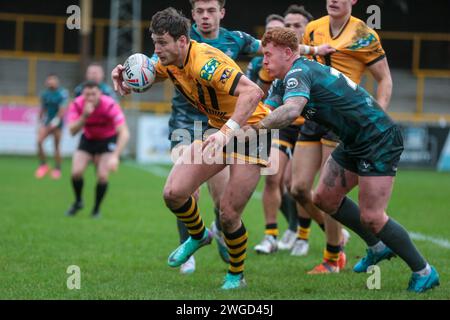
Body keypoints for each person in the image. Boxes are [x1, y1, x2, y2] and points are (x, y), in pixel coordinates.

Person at [252, 27, 439, 293]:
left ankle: (424, 271)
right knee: (324, 199)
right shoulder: (283, 80)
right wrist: (234, 125)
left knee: (372, 216)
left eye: (269, 54)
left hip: (378, 139)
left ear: (287, 53)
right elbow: (266, 110)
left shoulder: (299, 72)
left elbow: (292, 110)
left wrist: (254, 129)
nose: (264, 61)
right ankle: (378, 246)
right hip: (354, 140)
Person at [112, 7, 271, 290]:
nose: (156, 49)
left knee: (229, 214)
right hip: (219, 132)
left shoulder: (205, 63)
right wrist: (127, 79)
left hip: (251, 133)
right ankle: (198, 236)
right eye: (154, 42)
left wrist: (226, 132)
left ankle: (236, 274)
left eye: (162, 43)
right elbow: (150, 77)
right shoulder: (169, 61)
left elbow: (253, 92)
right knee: (174, 193)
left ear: (182, 41)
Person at [291, 0, 393, 273]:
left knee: (328, 192)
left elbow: (385, 79)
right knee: (298, 188)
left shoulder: (364, 34)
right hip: (314, 116)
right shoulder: (313, 28)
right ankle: (341, 235)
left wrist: (377, 117)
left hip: (343, 120)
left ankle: (333, 257)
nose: (333, 0)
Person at [164, 0, 264, 274]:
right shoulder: (177, 38)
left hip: (235, 127)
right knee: (183, 190)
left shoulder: (232, 40)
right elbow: (153, 64)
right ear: (192, 15)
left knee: (225, 208)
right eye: (200, 11)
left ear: (222, 12)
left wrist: (312, 53)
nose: (205, 17)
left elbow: (273, 50)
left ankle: (226, 248)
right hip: (189, 123)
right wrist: (127, 74)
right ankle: (193, 242)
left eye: (211, 11)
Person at [65, 81, 130, 218]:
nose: (90, 98)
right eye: (87, 94)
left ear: (100, 93)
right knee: (76, 173)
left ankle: (96, 209)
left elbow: (124, 132)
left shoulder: (110, 105)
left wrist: (115, 156)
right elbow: (71, 131)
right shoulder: (77, 104)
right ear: (83, 94)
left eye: (93, 94)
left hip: (107, 141)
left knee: (102, 176)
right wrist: (84, 116)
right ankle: (78, 201)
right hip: (88, 139)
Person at [35, 74, 68, 180]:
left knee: (56, 146)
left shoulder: (62, 93)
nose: (50, 82)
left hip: (58, 124)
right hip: (47, 123)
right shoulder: (45, 94)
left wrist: (56, 121)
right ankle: (43, 165)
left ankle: (57, 169)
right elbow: (43, 109)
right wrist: (40, 122)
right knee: (39, 141)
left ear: (56, 81)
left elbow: (62, 108)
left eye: (52, 80)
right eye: (48, 80)